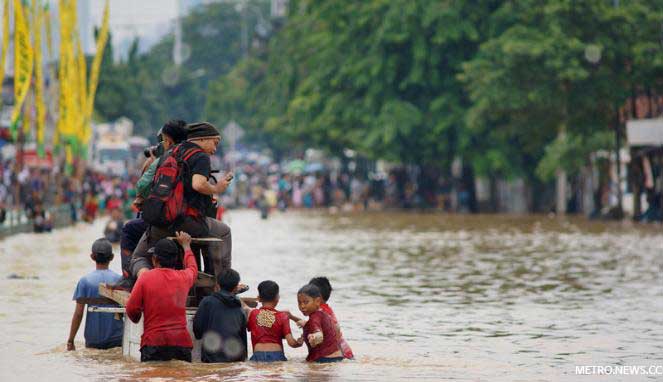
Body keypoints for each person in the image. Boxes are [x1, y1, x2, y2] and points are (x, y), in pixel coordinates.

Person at [129, 122, 234, 281]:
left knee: (137, 257)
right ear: (203, 139)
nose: (215, 148)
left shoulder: (169, 152)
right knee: (224, 231)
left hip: (161, 222)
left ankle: (144, 277)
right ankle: (223, 283)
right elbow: (198, 184)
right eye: (215, 142)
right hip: (189, 224)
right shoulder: (201, 157)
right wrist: (217, 188)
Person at [119, 120, 188, 282]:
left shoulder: (165, 158)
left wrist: (148, 165)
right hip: (189, 220)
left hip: (168, 221)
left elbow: (141, 186)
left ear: (168, 141)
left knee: (129, 229)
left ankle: (129, 277)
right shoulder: (193, 156)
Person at [125, 231, 197, 362]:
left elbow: (131, 309)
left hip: (153, 343)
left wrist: (137, 318)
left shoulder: (145, 278)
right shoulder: (184, 277)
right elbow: (193, 268)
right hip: (181, 343)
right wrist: (187, 247)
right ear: (176, 260)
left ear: (154, 259)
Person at [67, 238, 123, 350]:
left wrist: (70, 340)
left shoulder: (85, 281)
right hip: (117, 339)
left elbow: (78, 314)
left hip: (93, 340)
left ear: (92, 257)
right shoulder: (120, 280)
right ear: (112, 257)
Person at [192, 268, 248, 363]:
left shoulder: (207, 302)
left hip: (211, 359)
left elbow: (198, 331)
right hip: (235, 359)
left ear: (217, 285)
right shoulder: (239, 308)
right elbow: (243, 339)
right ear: (235, 288)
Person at [247, 280, 302, 362]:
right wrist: (299, 343)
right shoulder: (283, 316)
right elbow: (291, 343)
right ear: (277, 298)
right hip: (277, 355)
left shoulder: (253, 313)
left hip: (258, 355)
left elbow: (241, 303)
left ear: (259, 298)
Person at [309, 277, 354, 359]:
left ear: (317, 298)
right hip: (345, 349)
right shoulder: (327, 309)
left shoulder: (319, 312)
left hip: (336, 352)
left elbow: (335, 328)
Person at [297, 284, 343, 363]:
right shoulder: (323, 313)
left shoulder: (314, 317)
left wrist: (315, 337)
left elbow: (319, 334)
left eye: (306, 302)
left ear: (317, 301)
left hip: (325, 359)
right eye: (299, 303)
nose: (302, 306)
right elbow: (337, 328)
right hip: (337, 358)